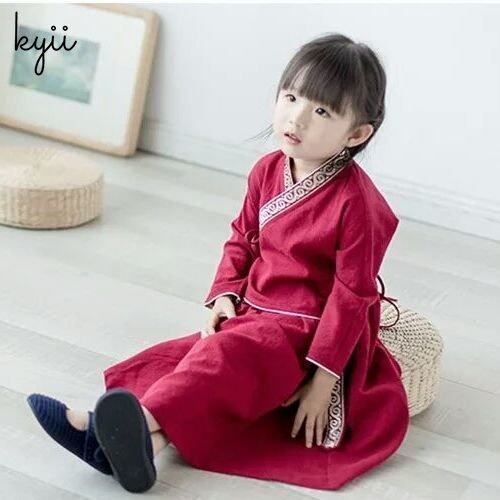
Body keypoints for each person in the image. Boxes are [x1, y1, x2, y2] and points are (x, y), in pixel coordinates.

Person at [27, 32, 409, 493]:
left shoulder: (358, 204)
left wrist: (324, 379)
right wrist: (225, 294)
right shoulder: (267, 170)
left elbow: (351, 295)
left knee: (223, 360)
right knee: (183, 362)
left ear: (357, 134)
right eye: (291, 97)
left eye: (322, 111)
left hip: (304, 332)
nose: (296, 118)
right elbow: (242, 238)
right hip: (253, 314)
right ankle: (143, 447)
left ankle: (98, 428)